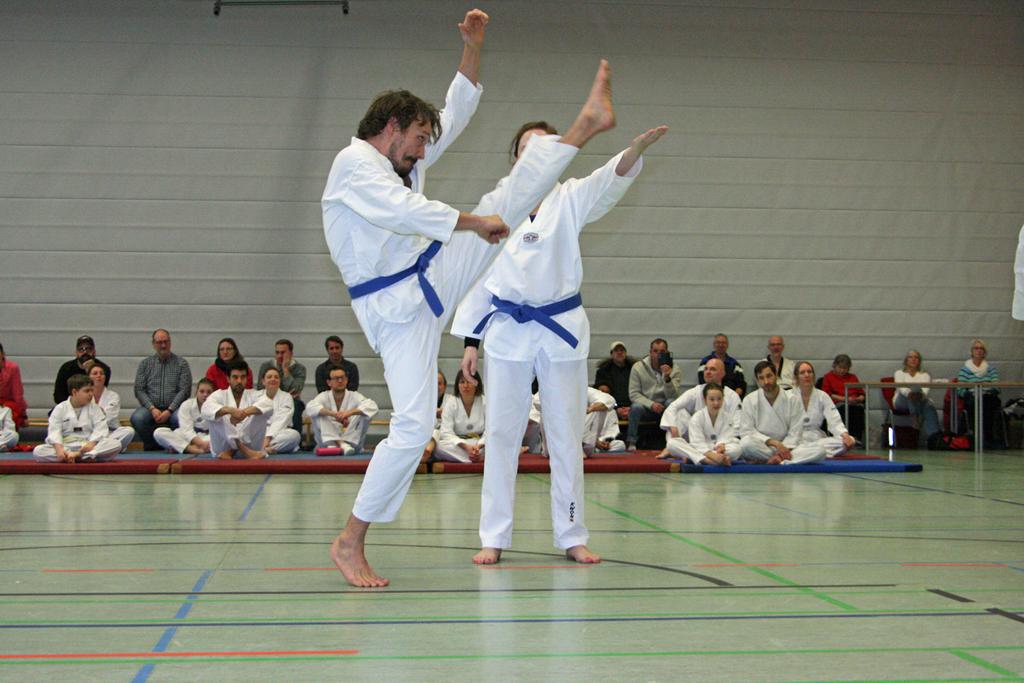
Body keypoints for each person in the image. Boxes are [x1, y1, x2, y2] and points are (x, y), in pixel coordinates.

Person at [321, 5, 616, 586]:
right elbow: (404, 211)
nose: (423, 151)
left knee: (505, 201)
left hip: (429, 277)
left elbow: (452, 115)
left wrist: (472, 48)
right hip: (394, 311)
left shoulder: (401, 157)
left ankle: (582, 129)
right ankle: (350, 540)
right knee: (413, 428)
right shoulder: (355, 165)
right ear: (392, 127)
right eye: (418, 140)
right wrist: (474, 224)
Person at [453, 118, 664, 566]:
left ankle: (571, 533)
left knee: (566, 433)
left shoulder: (570, 197)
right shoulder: (496, 207)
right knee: (501, 433)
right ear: (515, 158)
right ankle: (493, 535)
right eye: (526, 149)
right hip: (507, 329)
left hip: (560, 328)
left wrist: (633, 150)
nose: (534, 156)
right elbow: (479, 276)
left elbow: (608, 179)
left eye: (544, 148)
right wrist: (471, 340)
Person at [738, 361, 824, 465]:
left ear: (776, 376)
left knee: (820, 451)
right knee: (745, 444)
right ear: (757, 380)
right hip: (763, 445)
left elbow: (795, 432)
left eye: (769, 376)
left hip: (788, 447)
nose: (766, 381)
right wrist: (773, 443)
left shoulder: (793, 399)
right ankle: (782, 460)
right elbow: (746, 431)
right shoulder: (749, 400)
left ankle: (771, 459)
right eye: (761, 378)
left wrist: (783, 448)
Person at [658, 357, 741, 458]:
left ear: (723, 373)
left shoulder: (732, 396)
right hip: (697, 439)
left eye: (713, 369)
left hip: (721, 442)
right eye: (706, 369)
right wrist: (672, 426)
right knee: (680, 413)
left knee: (736, 450)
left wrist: (723, 443)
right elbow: (673, 406)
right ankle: (711, 456)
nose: (708, 372)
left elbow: (736, 424)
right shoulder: (696, 391)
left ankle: (694, 455)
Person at [34, 374, 122, 462]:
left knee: (115, 444)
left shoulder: (95, 409)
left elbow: (100, 430)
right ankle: (82, 457)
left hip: (87, 446)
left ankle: (77, 456)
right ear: (74, 392)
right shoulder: (60, 408)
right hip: (66, 446)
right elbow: (54, 431)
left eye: (92, 390)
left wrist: (89, 445)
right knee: (38, 451)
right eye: (87, 391)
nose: (91, 394)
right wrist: (59, 450)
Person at [132, 329, 192, 450]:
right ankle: (153, 445)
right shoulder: (145, 364)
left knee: (179, 418)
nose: (163, 345)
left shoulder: (182, 364)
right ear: (153, 344)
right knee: (137, 418)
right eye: (159, 342)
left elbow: (184, 390)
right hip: (150, 408)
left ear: (170, 342)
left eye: (166, 342)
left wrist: (170, 410)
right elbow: (139, 390)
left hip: (174, 408)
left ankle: (176, 445)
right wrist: (152, 408)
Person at [202, 361, 274, 460]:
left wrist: (244, 413)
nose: (239, 381)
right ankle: (241, 448)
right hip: (223, 449)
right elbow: (205, 408)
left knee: (261, 411)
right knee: (218, 414)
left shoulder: (254, 394)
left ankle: (234, 450)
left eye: (243, 377)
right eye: (235, 377)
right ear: (228, 379)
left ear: (247, 379)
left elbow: (269, 404)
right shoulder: (219, 395)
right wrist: (229, 410)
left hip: (252, 448)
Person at [626, 338, 683, 451]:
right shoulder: (638, 367)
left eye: (662, 352)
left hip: (664, 406)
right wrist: (651, 404)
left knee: (671, 403)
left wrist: (667, 378)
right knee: (636, 407)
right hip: (646, 406)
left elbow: (674, 396)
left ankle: (674, 441)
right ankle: (631, 442)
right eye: (655, 351)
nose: (658, 355)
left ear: (667, 353)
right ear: (650, 352)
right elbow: (634, 394)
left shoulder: (675, 369)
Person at [306, 367, 378, 454]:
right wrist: (334, 414)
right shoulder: (323, 396)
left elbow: (373, 406)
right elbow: (310, 407)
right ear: (329, 382)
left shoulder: (355, 396)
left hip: (352, 444)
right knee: (319, 412)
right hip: (328, 445)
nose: (340, 381)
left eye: (342, 378)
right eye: (336, 378)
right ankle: (340, 444)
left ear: (346, 380)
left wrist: (348, 413)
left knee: (363, 413)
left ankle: (344, 444)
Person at [792, 361, 855, 458]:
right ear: (796, 377)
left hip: (817, 439)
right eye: (802, 372)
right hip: (795, 438)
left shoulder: (822, 396)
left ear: (813, 375)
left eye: (809, 372)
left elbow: (834, 419)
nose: (807, 375)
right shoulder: (788, 396)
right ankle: (816, 453)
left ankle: (807, 452)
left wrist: (844, 435)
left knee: (849, 440)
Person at [672, 383, 741, 465]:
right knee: (672, 443)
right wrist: (711, 454)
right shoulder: (697, 417)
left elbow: (727, 436)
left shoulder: (727, 417)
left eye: (719, 399)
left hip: (717, 449)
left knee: (737, 449)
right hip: (702, 447)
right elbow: (697, 443)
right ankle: (710, 460)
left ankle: (696, 458)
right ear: (705, 400)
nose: (716, 403)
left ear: (723, 399)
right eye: (712, 399)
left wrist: (721, 445)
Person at [957, 339, 1004, 448]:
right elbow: (960, 390)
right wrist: (969, 393)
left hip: (988, 397)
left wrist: (988, 390)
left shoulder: (991, 369)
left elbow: (997, 387)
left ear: (984, 352)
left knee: (988, 402)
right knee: (976, 404)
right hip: (972, 398)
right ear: (971, 351)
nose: (978, 350)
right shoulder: (964, 370)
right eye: (976, 348)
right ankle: (977, 437)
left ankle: (987, 438)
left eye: (981, 348)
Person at [434, 369, 485, 463]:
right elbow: (446, 432)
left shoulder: (485, 402)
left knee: (495, 444)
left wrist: (479, 445)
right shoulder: (451, 403)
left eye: (469, 381)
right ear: (457, 385)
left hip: (479, 443)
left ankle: (474, 455)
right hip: (459, 444)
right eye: (462, 382)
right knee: (437, 447)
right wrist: (466, 447)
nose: (465, 386)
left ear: (477, 384)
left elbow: (490, 430)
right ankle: (477, 457)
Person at [257, 339, 307, 433]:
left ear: (291, 353)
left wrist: (285, 370)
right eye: (277, 352)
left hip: (292, 401)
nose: (280, 356)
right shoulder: (266, 366)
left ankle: (296, 437)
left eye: (283, 353)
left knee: (296, 405)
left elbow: (296, 389)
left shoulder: (300, 368)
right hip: (269, 398)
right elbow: (261, 387)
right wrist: (283, 395)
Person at [154, 378, 215, 455]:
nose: (205, 395)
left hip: (205, 437)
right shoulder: (186, 405)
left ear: (213, 394)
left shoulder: (216, 407)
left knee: (219, 440)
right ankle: (190, 449)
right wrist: (201, 444)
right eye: (202, 391)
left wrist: (203, 442)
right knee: (158, 432)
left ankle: (179, 447)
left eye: (209, 392)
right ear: (196, 392)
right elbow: (186, 430)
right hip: (186, 436)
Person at [893, 349, 941, 444]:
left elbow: (925, 391)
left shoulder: (925, 375)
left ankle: (935, 439)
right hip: (901, 401)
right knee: (913, 390)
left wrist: (917, 394)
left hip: (920, 399)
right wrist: (911, 393)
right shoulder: (899, 373)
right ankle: (915, 417)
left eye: (916, 357)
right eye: (910, 357)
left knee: (929, 407)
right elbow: (902, 388)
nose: (913, 359)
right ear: (906, 360)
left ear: (919, 361)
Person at [86, 363, 135, 453]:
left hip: (110, 432)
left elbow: (109, 418)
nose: (99, 376)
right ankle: (110, 447)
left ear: (105, 377)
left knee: (129, 431)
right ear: (89, 377)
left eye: (101, 373)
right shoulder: (84, 396)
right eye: (95, 373)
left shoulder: (113, 396)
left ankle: (101, 447)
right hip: (91, 432)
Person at [53, 335, 111, 406]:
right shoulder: (66, 368)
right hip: (69, 406)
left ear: (94, 352)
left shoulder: (103, 370)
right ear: (76, 353)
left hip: (93, 406)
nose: (85, 352)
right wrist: (75, 403)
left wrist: (90, 370)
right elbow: (58, 396)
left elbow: (99, 393)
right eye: (81, 349)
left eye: (88, 349)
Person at [820, 354, 865, 442]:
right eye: (840, 367)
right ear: (834, 366)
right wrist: (844, 399)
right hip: (837, 403)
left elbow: (861, 393)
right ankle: (842, 437)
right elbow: (827, 394)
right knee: (844, 408)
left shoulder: (853, 377)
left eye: (845, 368)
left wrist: (859, 398)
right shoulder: (828, 377)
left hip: (854, 403)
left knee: (858, 409)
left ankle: (856, 438)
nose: (842, 370)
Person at [259, 366, 301, 454]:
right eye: (269, 377)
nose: (273, 379)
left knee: (294, 435)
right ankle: (265, 449)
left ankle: (261, 449)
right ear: (263, 381)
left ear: (280, 381)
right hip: (259, 432)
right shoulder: (256, 396)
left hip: (279, 433)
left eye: (276, 377)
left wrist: (268, 438)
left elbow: (282, 420)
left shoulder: (286, 397)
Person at [594, 341, 634, 423]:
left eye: (622, 350)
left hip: (633, 406)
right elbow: (600, 395)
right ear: (611, 354)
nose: (619, 353)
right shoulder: (603, 371)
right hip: (612, 406)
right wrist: (616, 408)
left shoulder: (635, 369)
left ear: (625, 353)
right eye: (616, 351)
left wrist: (630, 408)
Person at [0, 343, 28, 428]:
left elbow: (18, 395)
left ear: (3, 354)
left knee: (8, 411)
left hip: (7, 405)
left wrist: (23, 415)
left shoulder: (12, 368)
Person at [422, 370, 447, 461]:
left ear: (444, 387)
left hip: (443, 437)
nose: (436, 386)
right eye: (433, 383)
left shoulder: (452, 400)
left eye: (439, 384)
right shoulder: (421, 401)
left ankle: (428, 451)